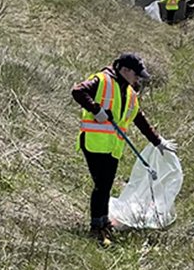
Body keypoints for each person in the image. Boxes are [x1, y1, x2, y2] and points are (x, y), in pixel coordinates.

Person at [71, 53, 175, 244]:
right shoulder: (101, 80)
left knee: (107, 184)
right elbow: (77, 91)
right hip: (94, 143)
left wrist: (157, 141)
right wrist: (96, 110)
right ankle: (97, 227)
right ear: (124, 70)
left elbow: (139, 119)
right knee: (101, 185)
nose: (137, 79)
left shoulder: (129, 92)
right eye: (136, 75)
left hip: (112, 147)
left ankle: (104, 222)